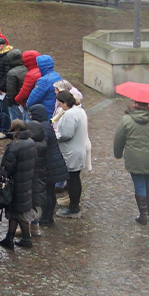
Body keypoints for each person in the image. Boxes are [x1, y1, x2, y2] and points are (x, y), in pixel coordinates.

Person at [113, 97, 149, 223]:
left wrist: (118, 154)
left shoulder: (126, 120)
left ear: (135, 103)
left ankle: (143, 215)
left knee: (139, 183)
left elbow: (119, 139)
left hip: (134, 158)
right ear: (148, 104)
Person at [0, 120, 42, 246]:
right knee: (16, 212)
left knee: (19, 213)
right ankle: (10, 238)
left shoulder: (14, 146)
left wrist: (0, 175)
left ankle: (26, 240)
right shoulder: (31, 142)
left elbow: (8, 167)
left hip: (16, 184)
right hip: (27, 181)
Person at [55, 86, 92, 216]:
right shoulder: (77, 111)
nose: (59, 106)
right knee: (74, 180)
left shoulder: (70, 115)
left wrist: (56, 136)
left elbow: (66, 134)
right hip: (77, 150)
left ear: (65, 103)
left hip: (71, 152)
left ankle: (73, 208)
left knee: (73, 180)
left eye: (60, 103)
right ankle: (73, 205)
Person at [29, 104, 67, 226]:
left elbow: (41, 147)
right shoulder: (46, 125)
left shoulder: (42, 129)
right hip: (53, 165)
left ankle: (46, 218)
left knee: (47, 193)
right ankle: (48, 217)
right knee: (49, 192)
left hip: (49, 166)